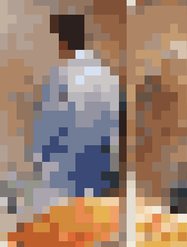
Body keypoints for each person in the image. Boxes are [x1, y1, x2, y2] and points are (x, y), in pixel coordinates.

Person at [32, 14, 122, 215]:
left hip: (65, 168)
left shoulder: (59, 78)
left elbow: (48, 129)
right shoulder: (105, 74)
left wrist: (41, 160)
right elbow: (113, 127)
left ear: (62, 41)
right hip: (99, 165)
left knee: (64, 223)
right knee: (93, 221)